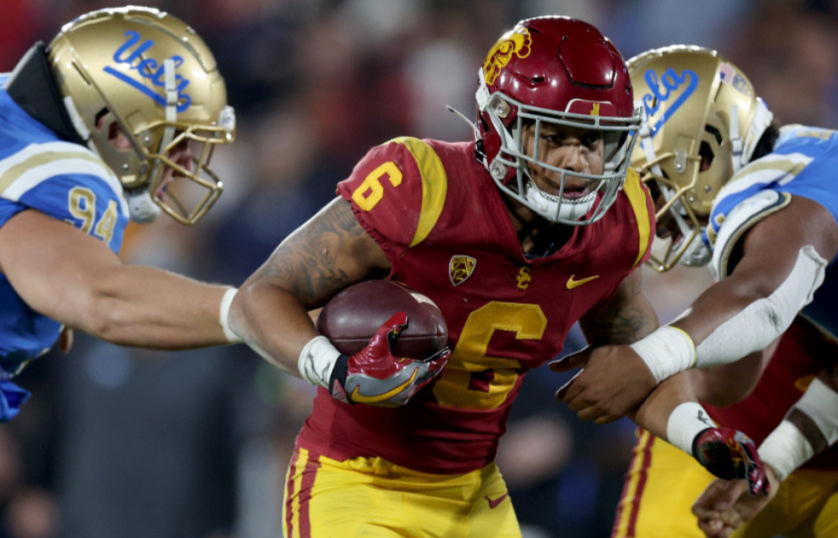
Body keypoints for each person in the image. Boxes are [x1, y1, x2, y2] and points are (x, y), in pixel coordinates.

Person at [228, 16, 762, 538]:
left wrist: (702, 435)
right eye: (556, 137)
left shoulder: (619, 223)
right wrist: (334, 368)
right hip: (356, 479)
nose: (579, 159)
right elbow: (263, 294)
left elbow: (637, 362)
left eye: (594, 140)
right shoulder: (423, 188)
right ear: (500, 124)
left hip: (472, 494)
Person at [552, 42, 838, 538]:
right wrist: (773, 465)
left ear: (706, 150)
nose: (648, 211)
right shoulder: (808, 167)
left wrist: (646, 359)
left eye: (651, 187)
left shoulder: (792, 190)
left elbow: (759, 299)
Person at [0, 6, 244, 421]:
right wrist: (249, 312)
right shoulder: (65, 173)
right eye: (176, 139)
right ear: (114, 129)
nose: (185, 162)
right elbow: (104, 299)